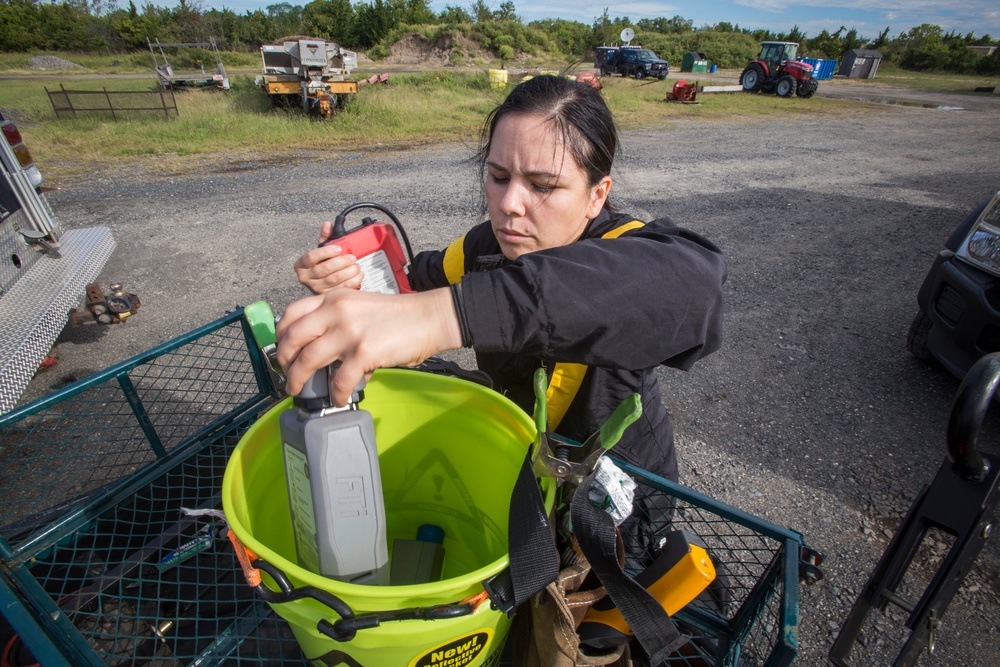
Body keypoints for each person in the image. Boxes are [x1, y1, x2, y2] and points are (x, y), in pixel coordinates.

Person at [277, 73, 725, 494]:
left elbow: (695, 284)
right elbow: (406, 293)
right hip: (513, 463)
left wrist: (445, 315)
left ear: (597, 195)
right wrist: (349, 280)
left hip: (611, 499)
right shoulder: (485, 247)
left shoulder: (626, 247)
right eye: (498, 177)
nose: (509, 204)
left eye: (542, 185)